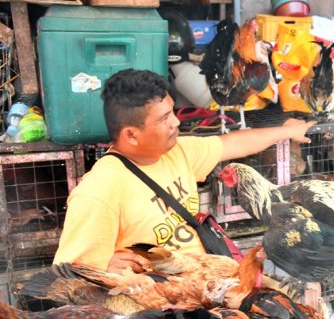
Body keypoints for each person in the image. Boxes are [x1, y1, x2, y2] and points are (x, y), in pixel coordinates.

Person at [53, 69, 315, 274]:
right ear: (131, 135)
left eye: (173, 112)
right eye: (164, 118)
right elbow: (69, 274)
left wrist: (288, 131)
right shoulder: (100, 191)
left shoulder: (176, 152)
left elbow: (233, 143)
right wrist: (103, 269)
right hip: (164, 314)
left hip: (207, 282)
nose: (176, 122)